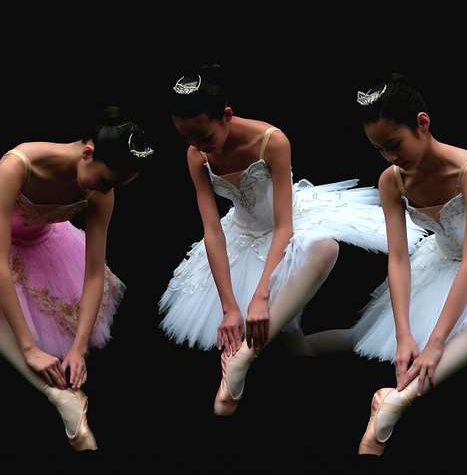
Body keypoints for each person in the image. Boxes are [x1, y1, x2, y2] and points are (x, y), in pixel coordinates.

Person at [159, 65, 424, 416]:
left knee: (325, 248)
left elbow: (284, 226)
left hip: (289, 226)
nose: (198, 145)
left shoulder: (271, 141)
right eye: (187, 138)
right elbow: (212, 230)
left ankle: (244, 358)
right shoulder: (196, 155)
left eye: (204, 136)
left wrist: (260, 294)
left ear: (227, 115)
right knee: (294, 348)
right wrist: (230, 307)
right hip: (242, 234)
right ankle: (352, 340)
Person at [351, 74, 467, 455]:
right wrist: (405, 335)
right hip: (441, 261)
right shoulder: (392, 181)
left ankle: (398, 399)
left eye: (394, 144)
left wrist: (434, 344)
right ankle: (395, 400)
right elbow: (398, 258)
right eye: (380, 149)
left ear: (422, 123)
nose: (390, 157)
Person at [0, 106, 153, 450]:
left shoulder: (101, 192)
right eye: (106, 181)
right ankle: (59, 397)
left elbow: (94, 272)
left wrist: (78, 348)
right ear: (87, 154)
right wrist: (28, 348)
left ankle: (65, 395)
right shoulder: (17, 166)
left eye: (115, 186)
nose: (107, 190)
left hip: (44, 245)